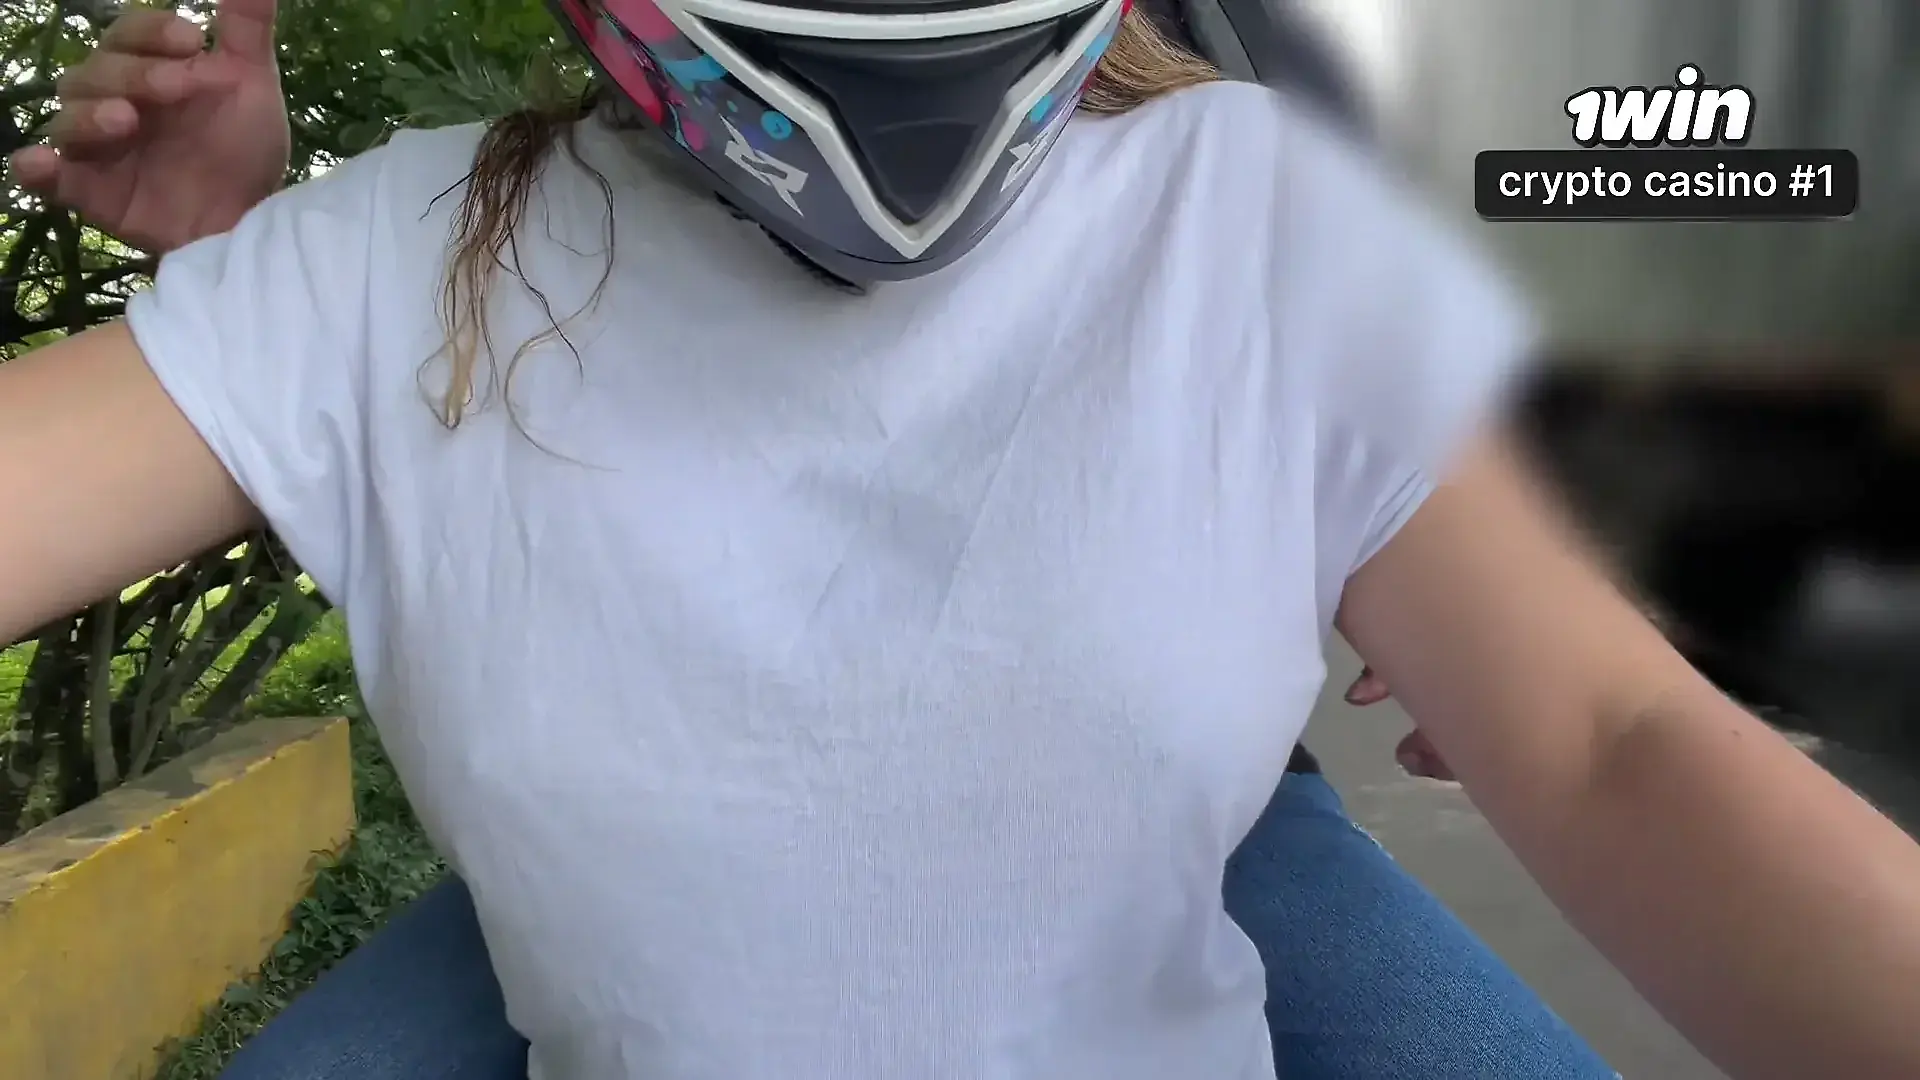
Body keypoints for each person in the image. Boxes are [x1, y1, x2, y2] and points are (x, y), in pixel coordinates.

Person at [7, 2, 1920, 1079]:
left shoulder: (1258, 211)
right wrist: (240, 284)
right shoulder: (392, 261)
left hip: (1218, 856)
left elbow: (1609, 735)